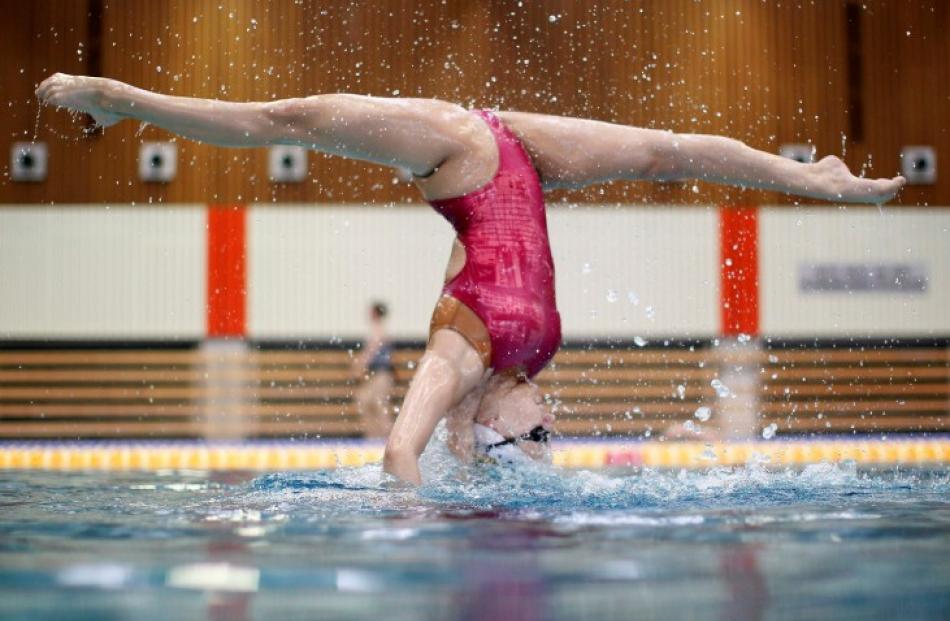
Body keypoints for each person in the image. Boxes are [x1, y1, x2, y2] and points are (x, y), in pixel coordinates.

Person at [36, 73, 905, 485]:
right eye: (542, 440)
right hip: (512, 153)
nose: (547, 430)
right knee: (659, 151)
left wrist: (416, 523)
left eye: (529, 439)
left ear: (477, 415)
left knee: (288, 119)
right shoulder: (532, 356)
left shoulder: (460, 357)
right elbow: (464, 444)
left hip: (465, 153)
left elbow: (396, 449)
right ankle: (813, 182)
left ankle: (121, 100)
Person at [351, 301, 396, 439]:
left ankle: (389, 437)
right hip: (375, 375)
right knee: (363, 400)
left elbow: (370, 352)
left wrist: (358, 366)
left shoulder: (379, 330)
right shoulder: (377, 330)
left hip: (382, 374)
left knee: (380, 404)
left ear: (375, 313)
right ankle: (373, 436)